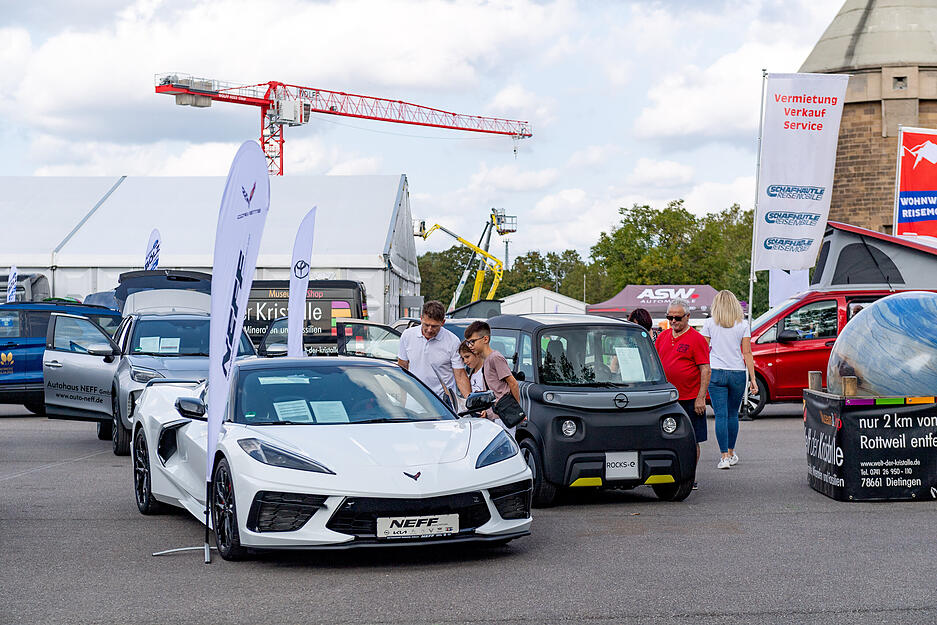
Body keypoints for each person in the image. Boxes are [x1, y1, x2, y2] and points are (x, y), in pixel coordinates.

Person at [655, 297, 711, 488]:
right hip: (666, 399)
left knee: (692, 440)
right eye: (670, 317)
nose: (673, 322)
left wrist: (701, 397)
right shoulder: (662, 337)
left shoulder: (696, 339)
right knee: (664, 438)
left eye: (677, 318)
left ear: (687, 317)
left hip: (689, 399)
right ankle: (665, 474)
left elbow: (705, 369)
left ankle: (689, 476)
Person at [700, 290, 757, 470]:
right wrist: (753, 379)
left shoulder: (709, 323)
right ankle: (731, 452)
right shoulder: (742, 324)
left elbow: (702, 350)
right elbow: (747, 353)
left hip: (715, 372)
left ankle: (723, 456)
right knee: (733, 414)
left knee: (721, 415)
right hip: (737, 373)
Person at [397, 301, 470, 399]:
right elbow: (402, 370)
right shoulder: (407, 335)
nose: (429, 329)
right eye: (426, 325)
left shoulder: (452, 341)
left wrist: (471, 403)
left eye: (435, 326)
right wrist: (402, 401)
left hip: (442, 404)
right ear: (421, 318)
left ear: (443, 322)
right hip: (414, 401)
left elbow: (460, 375)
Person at [464, 320, 522, 435]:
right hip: (493, 416)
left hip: (502, 417)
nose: (470, 346)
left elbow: (513, 383)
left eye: (473, 342)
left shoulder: (495, 358)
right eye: (468, 343)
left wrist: (516, 412)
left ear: (485, 339)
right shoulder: (486, 360)